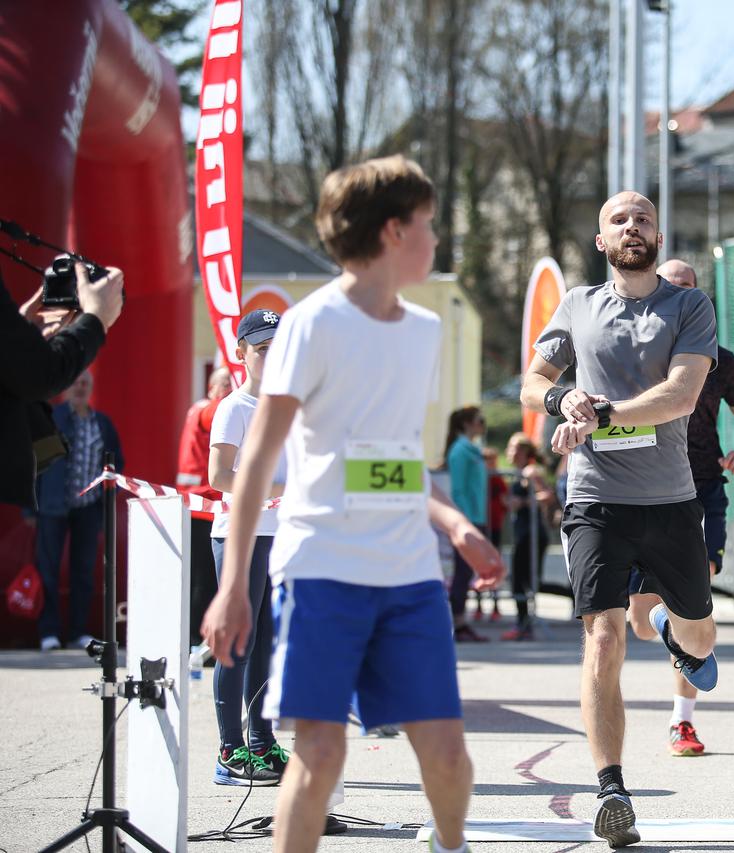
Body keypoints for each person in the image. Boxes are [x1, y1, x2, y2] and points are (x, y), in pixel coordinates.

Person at [201, 154, 504, 853]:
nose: (437, 240)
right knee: (320, 754)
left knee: (449, 755)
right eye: (429, 225)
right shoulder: (308, 326)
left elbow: (393, 464)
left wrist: (455, 522)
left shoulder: (425, 332)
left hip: (406, 575)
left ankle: (448, 845)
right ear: (394, 232)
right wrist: (230, 587)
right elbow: (251, 467)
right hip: (321, 570)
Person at [521, 190, 719, 848]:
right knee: (602, 638)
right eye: (619, 220)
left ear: (659, 234)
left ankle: (670, 629)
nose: (633, 226)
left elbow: (682, 394)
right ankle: (612, 788)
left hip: (669, 500)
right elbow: (532, 382)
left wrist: (601, 415)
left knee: (700, 642)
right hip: (596, 500)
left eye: (644, 218)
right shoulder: (577, 306)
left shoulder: (689, 305)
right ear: (602, 240)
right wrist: (561, 395)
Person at [626, 258, 734, 757]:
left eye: (690, 289)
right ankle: (665, 622)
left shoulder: (721, 361)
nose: (680, 296)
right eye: (671, 287)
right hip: (644, 490)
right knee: (643, 622)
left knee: (693, 600)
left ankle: (682, 722)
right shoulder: (636, 352)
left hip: (702, 488)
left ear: (699, 300)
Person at [207, 310, 289, 785]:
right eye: (262, 349)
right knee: (239, 640)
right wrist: (276, 486)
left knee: (266, 644)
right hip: (240, 534)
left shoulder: (288, 407)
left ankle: (261, 741)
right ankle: (229, 749)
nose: (271, 358)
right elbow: (218, 476)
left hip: (281, 534)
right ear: (241, 353)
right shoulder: (234, 407)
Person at [0, 262, 124, 509]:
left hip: (84, 506)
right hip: (52, 506)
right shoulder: (62, 414)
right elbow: (40, 375)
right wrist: (96, 319)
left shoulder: (102, 422)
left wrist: (19, 338)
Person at [33, 370, 123, 650]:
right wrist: (30, 507)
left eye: (85, 383)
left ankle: (78, 631)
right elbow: (35, 462)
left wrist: (109, 495)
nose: (80, 388)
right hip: (52, 506)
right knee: (48, 569)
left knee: (83, 571)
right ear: (66, 388)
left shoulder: (102, 423)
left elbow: (116, 461)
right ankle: (49, 632)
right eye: (75, 383)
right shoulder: (53, 418)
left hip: (89, 508)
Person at [177, 366, 231, 646]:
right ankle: (196, 643)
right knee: (204, 580)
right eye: (225, 384)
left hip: (206, 507)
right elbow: (223, 412)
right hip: (202, 508)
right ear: (210, 388)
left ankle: (198, 642)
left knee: (205, 578)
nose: (230, 388)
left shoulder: (200, 410)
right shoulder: (207, 410)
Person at [501, 432, 554, 641]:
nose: (507, 452)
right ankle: (522, 624)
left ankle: (523, 625)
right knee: (522, 580)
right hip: (523, 532)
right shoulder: (519, 472)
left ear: (522, 451)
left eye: (512, 447)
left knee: (528, 581)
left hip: (532, 533)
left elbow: (547, 496)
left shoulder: (531, 471)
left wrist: (522, 503)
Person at [445, 406, 489, 642]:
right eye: (479, 420)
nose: (483, 425)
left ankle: (461, 622)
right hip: (469, 520)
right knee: (462, 573)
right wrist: (464, 523)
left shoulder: (470, 450)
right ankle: (458, 623)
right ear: (466, 424)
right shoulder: (460, 451)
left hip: (476, 518)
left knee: (466, 572)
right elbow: (459, 489)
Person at [476, 446, 507, 622]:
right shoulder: (481, 479)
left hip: (495, 527)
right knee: (479, 567)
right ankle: (479, 605)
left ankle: (495, 605)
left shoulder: (497, 479)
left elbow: (504, 499)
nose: (491, 464)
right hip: (482, 526)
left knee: (495, 564)